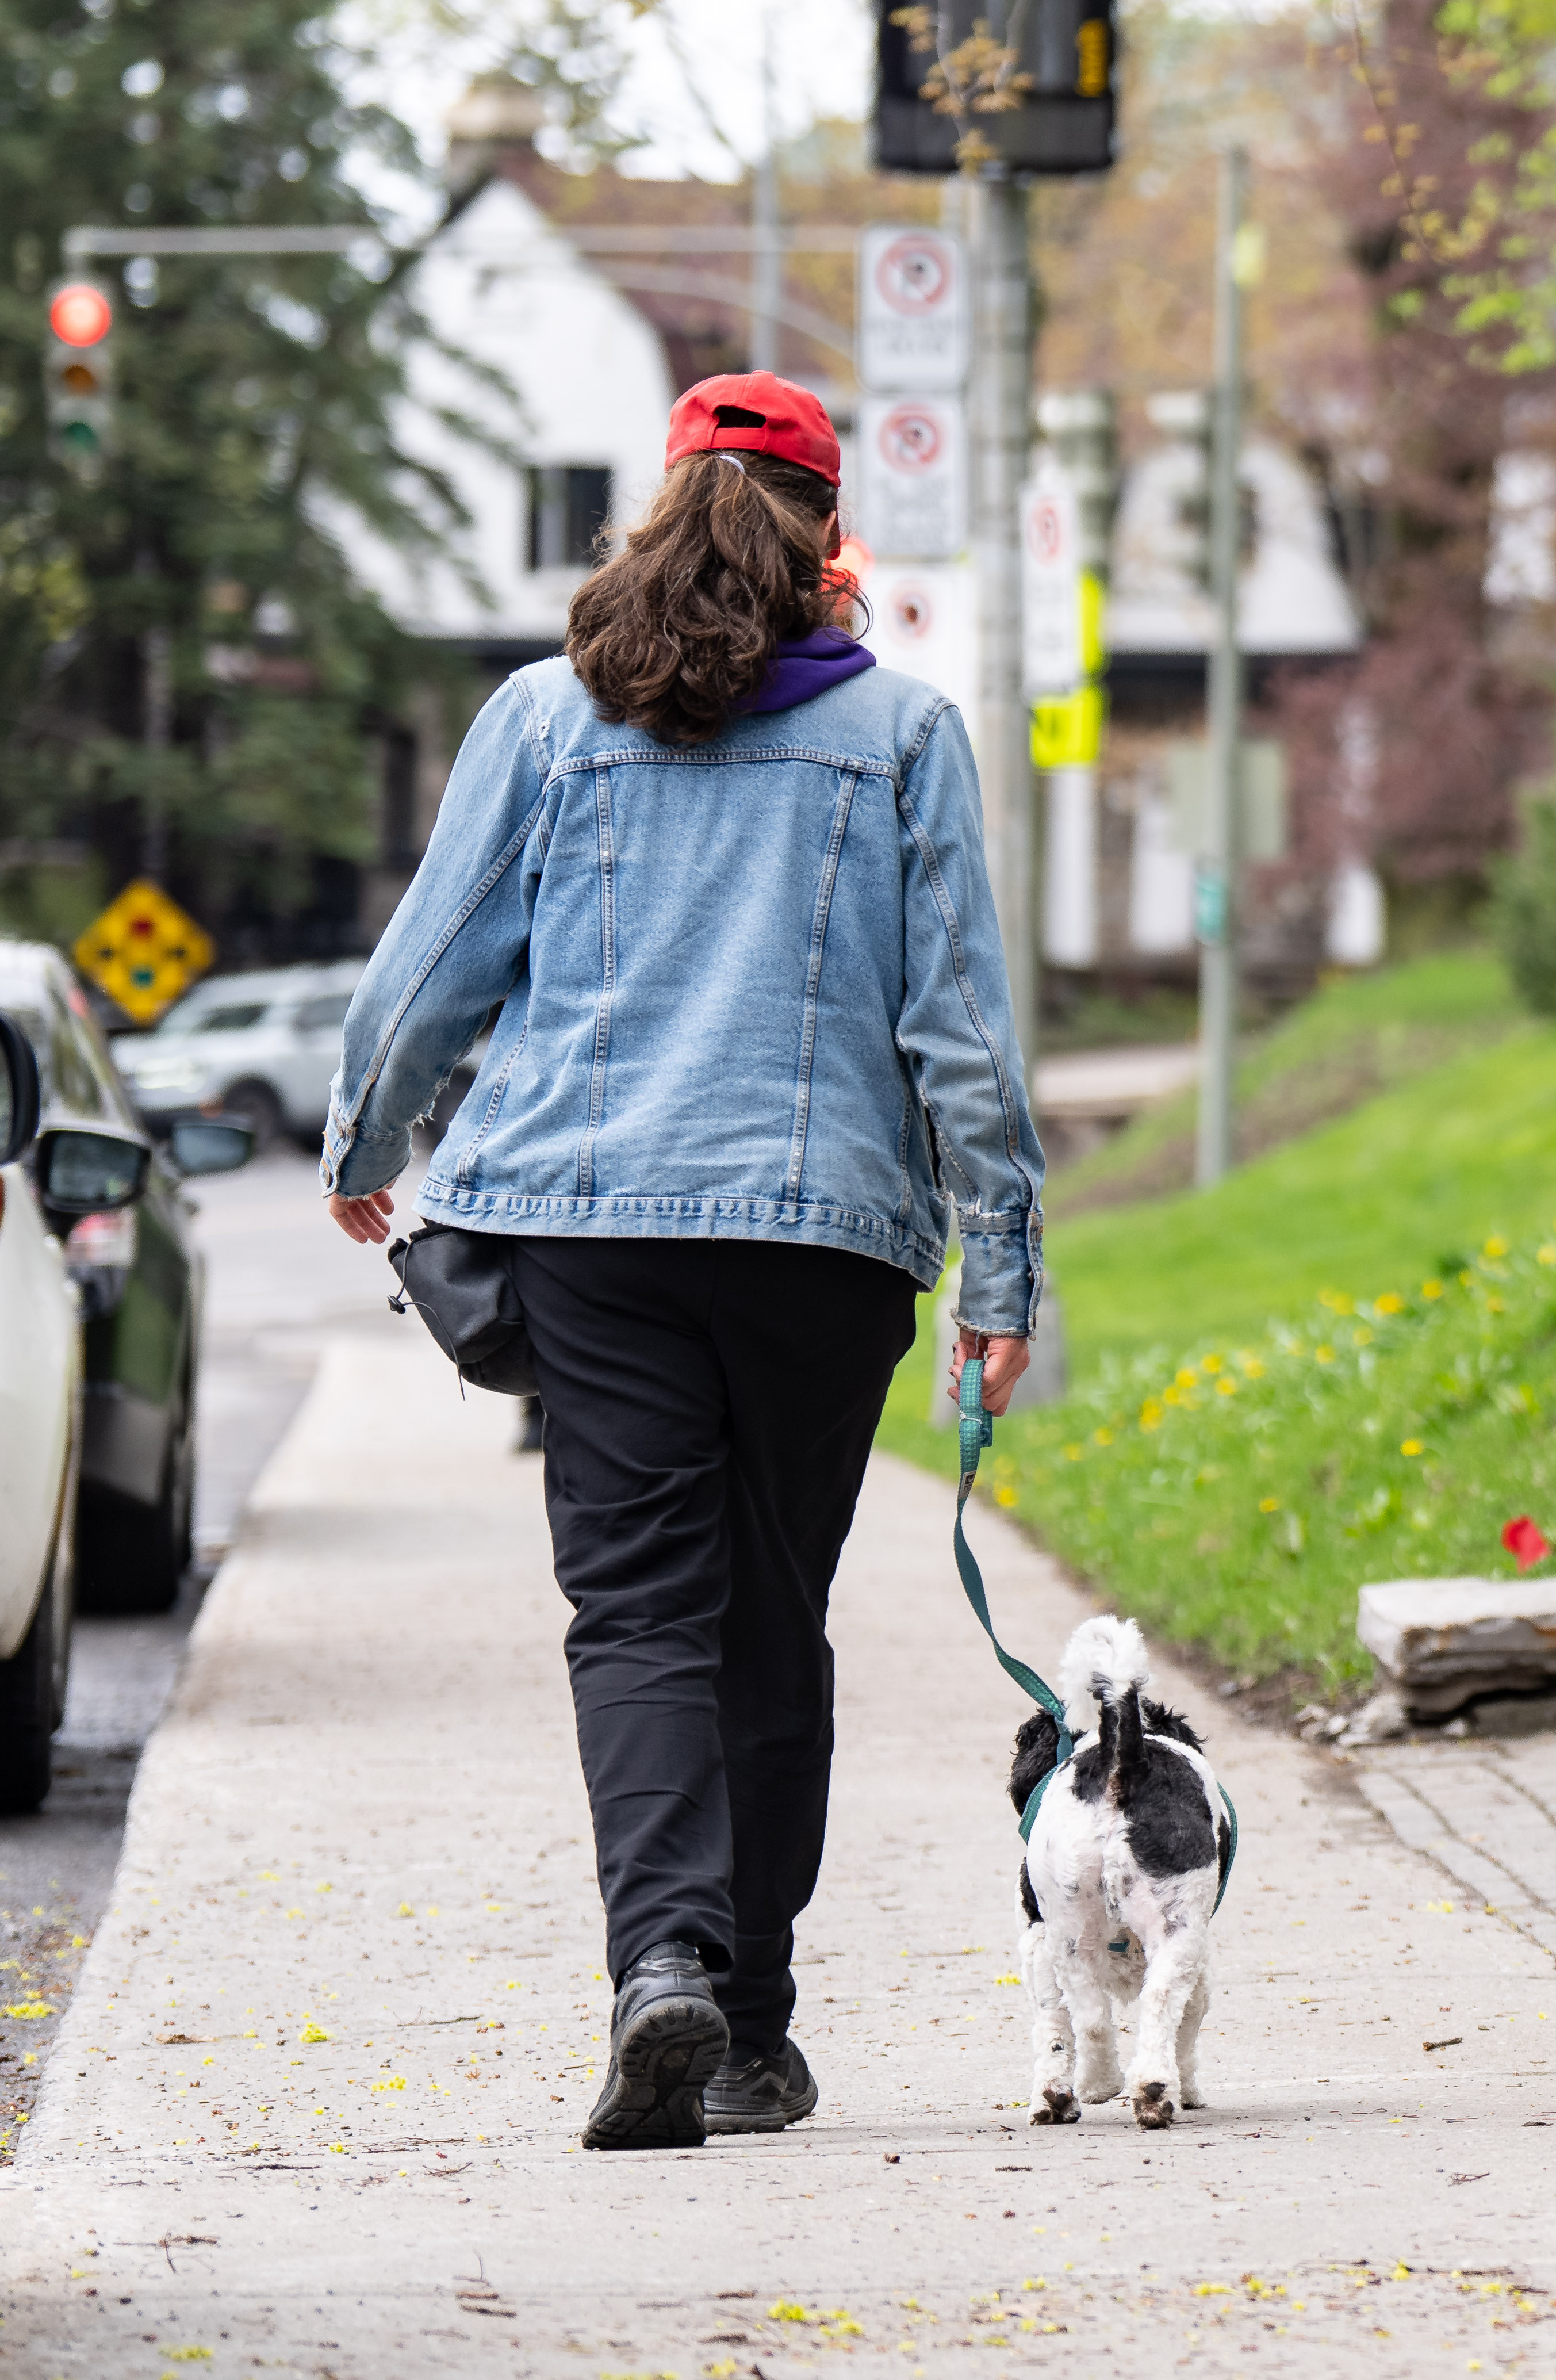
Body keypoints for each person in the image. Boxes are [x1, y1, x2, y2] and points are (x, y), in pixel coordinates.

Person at [320, 374, 1044, 2151]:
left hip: (593, 1236)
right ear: (823, 535)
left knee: (638, 1611)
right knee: (768, 1616)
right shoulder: (901, 735)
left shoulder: (542, 718)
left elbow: (431, 972)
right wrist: (1003, 1270)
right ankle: (753, 2025)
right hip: (822, 1248)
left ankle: (661, 1960)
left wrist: (365, 1144)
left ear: (659, 509)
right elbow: (956, 1032)